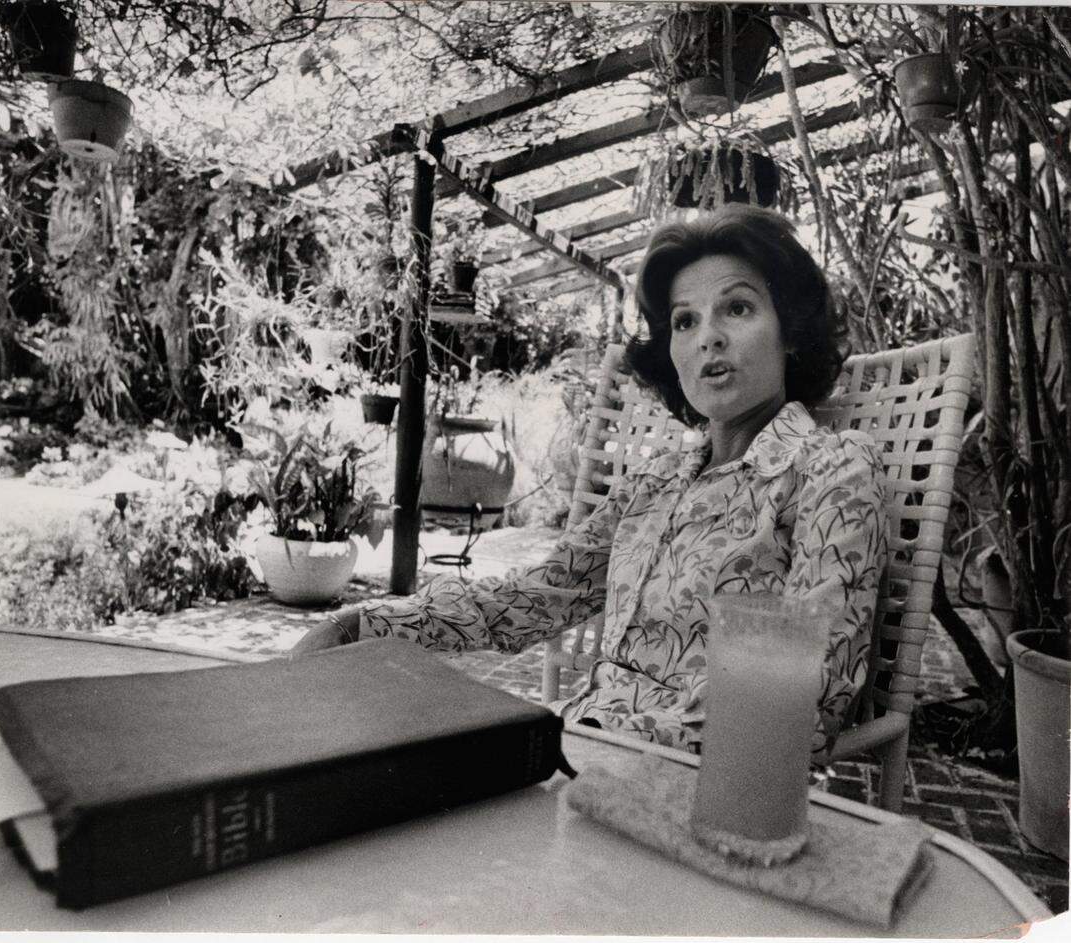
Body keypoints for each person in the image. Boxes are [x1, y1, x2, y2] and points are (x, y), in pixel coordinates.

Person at [292, 205, 888, 757]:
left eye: (737, 308)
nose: (708, 336)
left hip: (689, 783)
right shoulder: (656, 483)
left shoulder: (831, 470)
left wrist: (589, 739)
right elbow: (528, 599)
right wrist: (366, 624)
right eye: (684, 321)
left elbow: (812, 695)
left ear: (790, 332)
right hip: (577, 745)